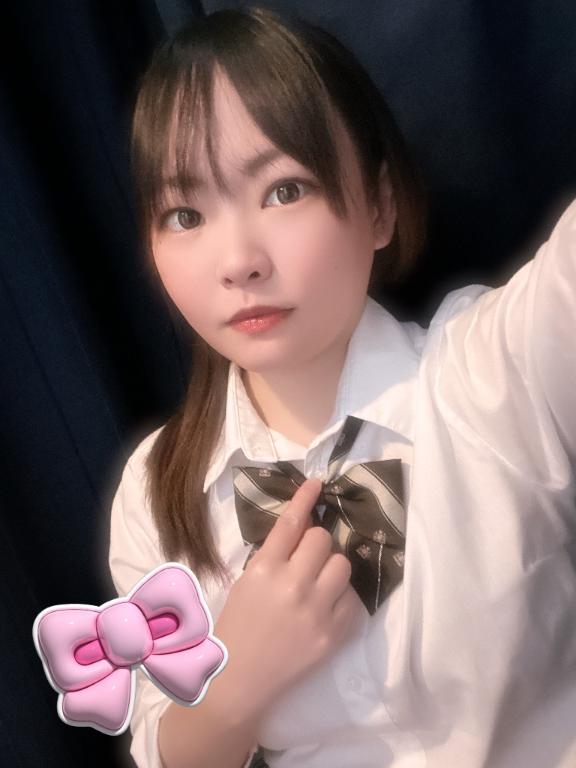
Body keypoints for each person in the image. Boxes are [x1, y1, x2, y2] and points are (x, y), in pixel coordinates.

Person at [108, 5, 576, 768]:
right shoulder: (155, 491)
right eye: (186, 214)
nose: (238, 260)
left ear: (380, 206)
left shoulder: (497, 371)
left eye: (284, 190)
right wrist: (237, 682)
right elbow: (162, 750)